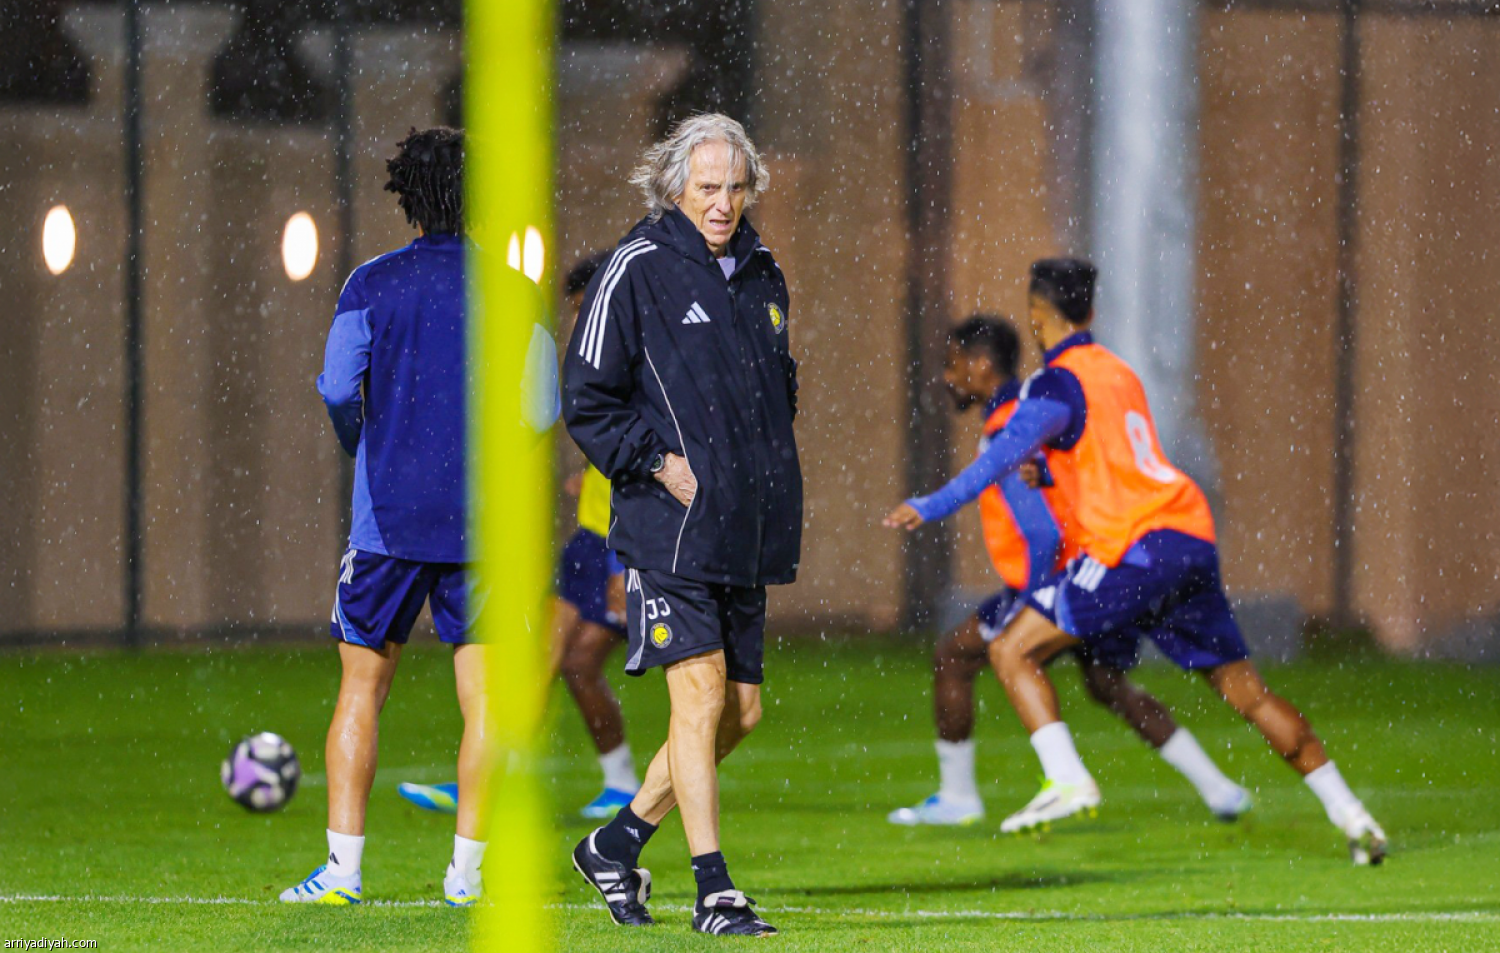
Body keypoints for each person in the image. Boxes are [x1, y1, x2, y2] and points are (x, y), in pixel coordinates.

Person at [885, 259, 1387, 864]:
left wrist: (930, 504)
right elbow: (1111, 459)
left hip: (1130, 548)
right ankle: (1353, 816)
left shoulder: (1055, 383)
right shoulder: (1119, 373)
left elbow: (1002, 455)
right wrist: (1051, 473)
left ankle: (1067, 780)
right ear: (1091, 311)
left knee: (1011, 650)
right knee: (1247, 695)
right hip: (1187, 535)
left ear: (1039, 316)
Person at [562, 113, 800, 936]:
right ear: (674, 186)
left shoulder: (763, 270)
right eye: (707, 187)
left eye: (735, 187)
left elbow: (778, 392)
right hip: (667, 525)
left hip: (744, 528)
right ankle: (714, 891)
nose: (722, 202)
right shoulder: (635, 266)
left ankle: (615, 843)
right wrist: (659, 462)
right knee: (697, 700)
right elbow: (585, 398)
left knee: (740, 713)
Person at [887, 316, 1250, 828]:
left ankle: (962, 796)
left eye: (953, 364)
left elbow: (1042, 533)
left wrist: (1033, 601)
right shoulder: (1033, 411)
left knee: (955, 656)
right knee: (1108, 685)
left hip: (1064, 580)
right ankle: (1219, 789)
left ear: (981, 365)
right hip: (1100, 566)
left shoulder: (1009, 429)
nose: (948, 377)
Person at [280, 126, 495, 908]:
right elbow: (543, 404)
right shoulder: (509, 287)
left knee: (361, 690)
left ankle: (343, 870)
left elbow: (340, 388)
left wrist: (365, 439)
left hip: (389, 520)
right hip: (481, 525)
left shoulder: (372, 282)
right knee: (487, 700)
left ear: (407, 195)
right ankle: (466, 876)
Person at [397, 252, 642, 820]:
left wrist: (621, 567)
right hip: (592, 537)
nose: (580, 320)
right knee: (568, 663)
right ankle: (620, 781)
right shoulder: (608, 357)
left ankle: (486, 780)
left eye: (585, 308)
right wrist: (590, 479)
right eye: (576, 310)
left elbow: (642, 458)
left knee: (557, 659)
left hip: (623, 545)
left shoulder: (634, 361)